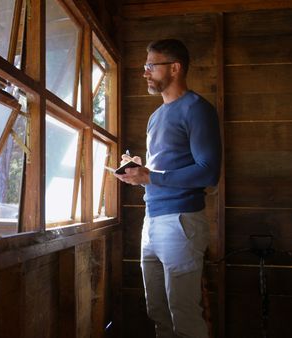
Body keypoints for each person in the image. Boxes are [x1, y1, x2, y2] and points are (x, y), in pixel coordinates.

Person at [114, 39, 221, 338]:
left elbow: (208, 172)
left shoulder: (197, 109)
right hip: (152, 221)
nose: (144, 72)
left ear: (175, 68)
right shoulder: (155, 117)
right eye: (144, 66)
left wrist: (151, 177)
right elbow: (162, 170)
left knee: (184, 315)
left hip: (181, 222)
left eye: (151, 65)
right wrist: (138, 172)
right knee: (158, 312)